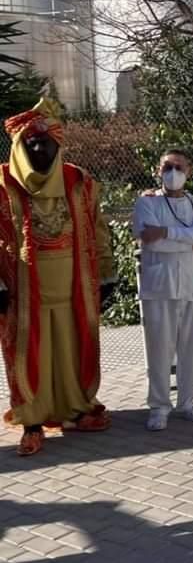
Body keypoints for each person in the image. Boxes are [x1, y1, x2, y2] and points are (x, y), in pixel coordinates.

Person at [0, 98, 115, 456]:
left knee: (71, 350)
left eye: (46, 142)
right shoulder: (2, 186)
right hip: (22, 293)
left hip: (73, 289)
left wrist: (108, 276)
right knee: (29, 354)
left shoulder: (79, 181)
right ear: (19, 146)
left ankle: (75, 408)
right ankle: (32, 421)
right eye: (31, 143)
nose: (40, 148)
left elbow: (98, 231)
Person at [134, 149, 193, 431]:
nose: (173, 172)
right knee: (160, 349)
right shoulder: (147, 203)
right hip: (160, 285)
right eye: (167, 166)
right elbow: (149, 241)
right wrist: (185, 239)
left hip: (192, 284)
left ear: (189, 171)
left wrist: (166, 232)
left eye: (179, 167)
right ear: (158, 169)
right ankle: (158, 406)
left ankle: (188, 402)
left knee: (190, 347)